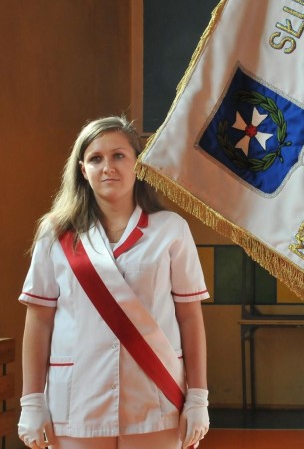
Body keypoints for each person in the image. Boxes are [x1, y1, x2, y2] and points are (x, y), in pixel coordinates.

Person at [17, 116, 210, 449]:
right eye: (96, 159)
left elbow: (190, 317)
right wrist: (32, 401)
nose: (108, 167)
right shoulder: (55, 233)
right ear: (83, 170)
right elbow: (39, 320)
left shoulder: (171, 229)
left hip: (156, 395)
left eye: (119, 155)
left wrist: (198, 397)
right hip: (77, 399)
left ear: (138, 163)